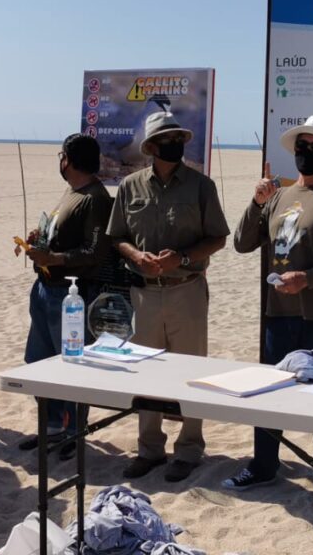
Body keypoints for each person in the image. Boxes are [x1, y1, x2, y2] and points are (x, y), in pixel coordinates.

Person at [221, 115, 313, 518]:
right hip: (278, 313)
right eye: (301, 146)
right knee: (268, 394)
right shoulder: (279, 197)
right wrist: (256, 203)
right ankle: (264, 465)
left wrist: (311, 278)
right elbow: (242, 243)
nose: (306, 153)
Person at [105, 111, 230, 483]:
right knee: (145, 373)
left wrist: (184, 257)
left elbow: (218, 237)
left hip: (186, 291)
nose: (175, 143)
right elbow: (117, 237)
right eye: (168, 139)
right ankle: (150, 449)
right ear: (152, 147)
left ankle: (189, 449)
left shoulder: (201, 186)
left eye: (179, 138)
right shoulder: (130, 186)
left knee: (191, 372)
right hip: (143, 295)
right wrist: (135, 256)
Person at [15, 133, 113, 459]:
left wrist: (53, 259)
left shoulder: (96, 198)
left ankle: (74, 432)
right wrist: (40, 238)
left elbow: (94, 253)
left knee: (71, 368)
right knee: (39, 362)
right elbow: (64, 235)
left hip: (70, 296)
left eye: (61, 156)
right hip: (45, 290)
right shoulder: (72, 192)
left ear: (67, 159)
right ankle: (53, 426)